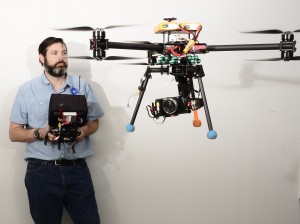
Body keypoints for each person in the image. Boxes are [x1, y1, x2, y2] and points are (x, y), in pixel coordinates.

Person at [9, 37, 104, 224]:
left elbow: (94, 122)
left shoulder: (82, 85)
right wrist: (40, 133)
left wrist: (82, 132)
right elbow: (13, 133)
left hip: (77, 169)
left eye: (64, 53)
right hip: (41, 172)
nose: (61, 57)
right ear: (41, 58)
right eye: (54, 53)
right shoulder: (27, 90)